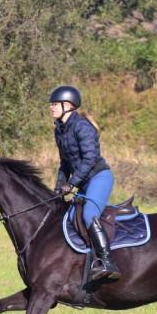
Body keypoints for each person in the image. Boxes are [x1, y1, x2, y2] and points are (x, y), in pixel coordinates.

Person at [49, 85, 120, 281]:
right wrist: (58, 186)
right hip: (83, 181)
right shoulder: (60, 130)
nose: (51, 107)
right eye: (51, 104)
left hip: (98, 177)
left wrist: (72, 184)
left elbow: (90, 159)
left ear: (67, 105)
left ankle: (107, 261)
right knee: (70, 216)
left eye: (55, 104)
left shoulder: (81, 126)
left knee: (89, 215)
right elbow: (65, 162)